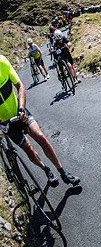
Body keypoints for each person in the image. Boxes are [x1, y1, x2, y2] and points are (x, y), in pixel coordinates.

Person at [0, 54, 80, 187]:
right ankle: (45, 169)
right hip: (5, 124)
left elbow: (20, 86)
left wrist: (22, 108)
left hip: (19, 112)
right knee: (29, 149)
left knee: (41, 137)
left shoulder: (2, 61)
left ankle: (63, 172)